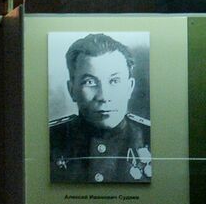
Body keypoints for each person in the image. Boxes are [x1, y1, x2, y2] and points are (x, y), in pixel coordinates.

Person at [50, 33, 151, 184]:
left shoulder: (151, 137)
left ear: (129, 87)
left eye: (114, 81)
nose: (104, 96)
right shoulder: (49, 140)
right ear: (72, 90)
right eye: (90, 82)